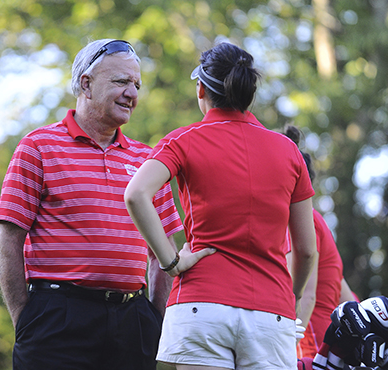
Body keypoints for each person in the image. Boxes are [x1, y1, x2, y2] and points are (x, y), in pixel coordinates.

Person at [125, 41, 318, 370]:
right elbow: (307, 250)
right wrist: (294, 294)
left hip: (202, 305)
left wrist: (171, 262)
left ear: (201, 89)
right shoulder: (289, 152)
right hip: (271, 313)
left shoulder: (183, 140)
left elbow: (136, 194)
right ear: (249, 95)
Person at [0, 39, 184, 370]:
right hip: (57, 318)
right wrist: (25, 319)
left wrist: (154, 318)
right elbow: (9, 242)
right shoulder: (38, 147)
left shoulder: (149, 160)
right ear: (86, 84)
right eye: (121, 81)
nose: (132, 93)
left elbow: (164, 250)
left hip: (132, 321)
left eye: (137, 85)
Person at [283, 125, 356, 359]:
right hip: (328, 344)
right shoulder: (317, 222)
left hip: (311, 344)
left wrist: (286, 345)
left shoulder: (303, 223)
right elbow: (349, 299)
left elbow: (308, 294)